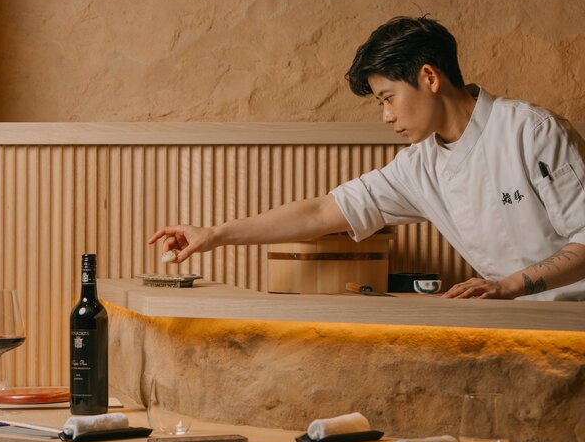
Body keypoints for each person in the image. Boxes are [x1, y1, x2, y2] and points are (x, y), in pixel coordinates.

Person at [150, 16, 585, 301]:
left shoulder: (532, 131)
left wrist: (506, 286)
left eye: (389, 98)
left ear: (429, 78)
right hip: (513, 326)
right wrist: (215, 233)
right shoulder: (421, 165)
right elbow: (321, 212)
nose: (386, 115)